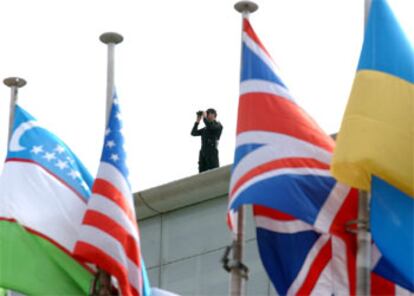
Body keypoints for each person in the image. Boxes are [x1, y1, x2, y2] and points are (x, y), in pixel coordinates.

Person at [191, 108, 223, 173]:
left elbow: (211, 127)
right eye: (207, 114)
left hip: (212, 152)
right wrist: (197, 121)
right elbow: (193, 133)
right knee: (201, 174)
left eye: (209, 113)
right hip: (203, 152)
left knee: (214, 172)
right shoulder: (205, 129)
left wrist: (204, 118)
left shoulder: (218, 125)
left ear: (214, 115)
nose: (208, 115)